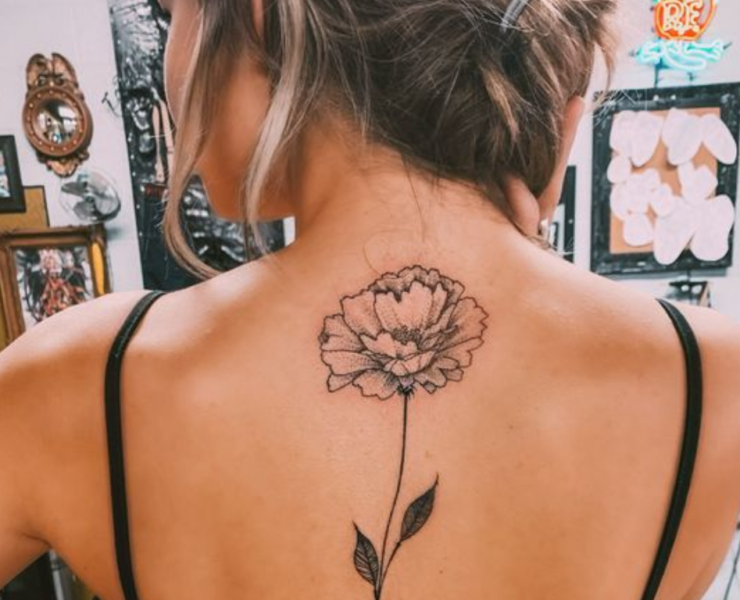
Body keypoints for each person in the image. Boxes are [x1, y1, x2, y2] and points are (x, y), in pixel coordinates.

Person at [1, 0, 740, 599]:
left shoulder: (75, 380)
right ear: (564, 128)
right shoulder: (713, 384)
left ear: (258, 15)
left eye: (177, 10)